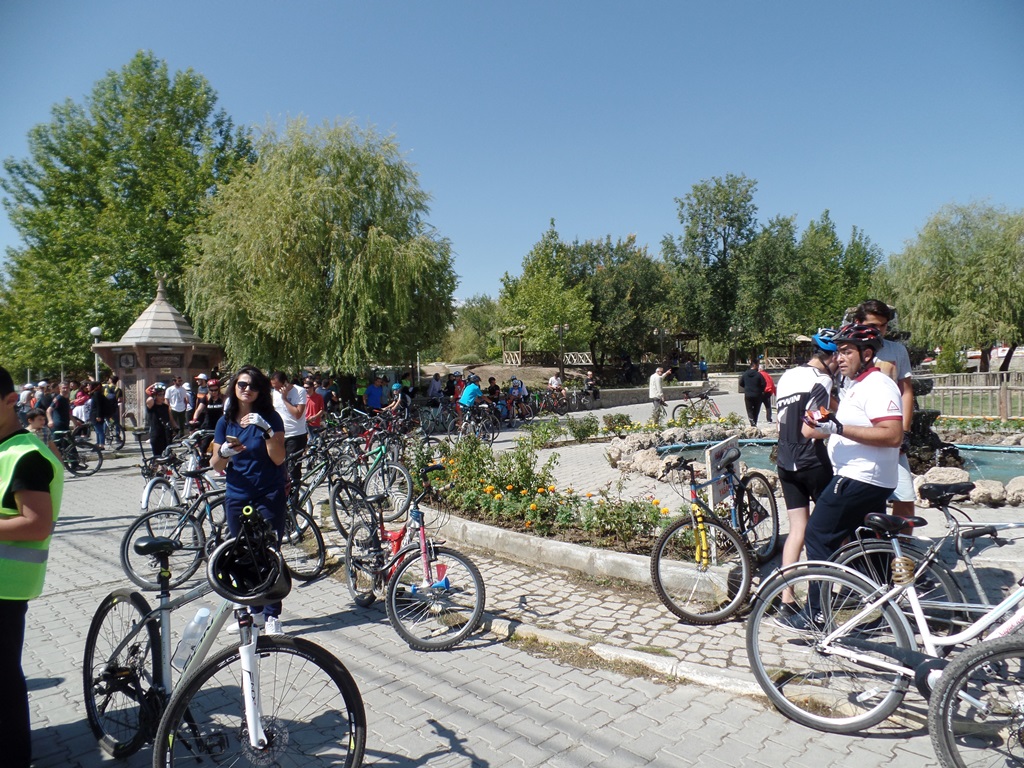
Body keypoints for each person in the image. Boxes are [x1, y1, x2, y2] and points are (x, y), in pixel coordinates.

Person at [785, 323, 903, 630]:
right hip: (860, 476)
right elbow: (843, 424)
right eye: (837, 351)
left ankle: (817, 613)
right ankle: (886, 609)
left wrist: (837, 429)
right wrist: (826, 424)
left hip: (861, 477)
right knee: (863, 544)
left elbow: (892, 435)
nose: (839, 358)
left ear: (866, 354)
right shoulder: (857, 385)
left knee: (817, 536)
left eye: (847, 351)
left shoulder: (878, 384)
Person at [0, 365, 64, 768]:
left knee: (3, 682)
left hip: (6, 587)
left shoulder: (25, 455)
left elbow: (36, 523)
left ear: (11, 402)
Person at [210, 367, 287, 635]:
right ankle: (253, 613)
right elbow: (216, 464)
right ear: (234, 386)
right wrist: (225, 451)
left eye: (253, 386)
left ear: (260, 391)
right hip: (237, 494)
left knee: (268, 552)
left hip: (268, 493)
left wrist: (266, 431)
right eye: (242, 384)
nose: (246, 389)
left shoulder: (271, 418)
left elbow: (278, 458)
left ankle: (272, 615)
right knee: (242, 555)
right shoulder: (225, 421)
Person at [773, 329, 839, 609]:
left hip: (785, 461)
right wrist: (840, 430)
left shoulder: (787, 375)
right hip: (812, 461)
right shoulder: (822, 380)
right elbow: (814, 426)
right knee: (827, 529)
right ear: (832, 357)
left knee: (797, 529)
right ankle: (824, 592)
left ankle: (786, 598)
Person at [855, 299, 916, 523]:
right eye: (872, 324)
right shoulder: (849, 349)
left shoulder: (896, 350)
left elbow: (906, 391)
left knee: (905, 496)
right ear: (857, 322)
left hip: (891, 435)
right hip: (858, 434)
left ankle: (905, 549)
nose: (878, 330)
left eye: (882, 325)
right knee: (857, 498)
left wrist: (905, 431)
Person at [270, 372, 307, 488]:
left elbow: (298, 414)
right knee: (279, 466)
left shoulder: (299, 391)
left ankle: (294, 497)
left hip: (296, 435)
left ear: (285, 383)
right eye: (273, 386)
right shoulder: (274, 393)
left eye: (277, 386)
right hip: (279, 434)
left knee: (293, 469)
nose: (275, 389)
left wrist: (284, 398)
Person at [145, 382, 174, 458]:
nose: (162, 397)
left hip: (166, 435)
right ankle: (153, 469)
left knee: (167, 457)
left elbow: (171, 419)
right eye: (159, 395)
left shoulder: (165, 407)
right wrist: (154, 385)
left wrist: (177, 428)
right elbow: (149, 399)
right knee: (157, 457)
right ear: (155, 395)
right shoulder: (152, 406)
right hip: (156, 435)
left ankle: (163, 470)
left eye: (163, 394)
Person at [739, 359, 767, 426]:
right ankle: (755, 422)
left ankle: (752, 423)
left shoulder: (745, 374)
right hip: (757, 395)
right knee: (756, 410)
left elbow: (740, 383)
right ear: (754, 365)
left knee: (749, 410)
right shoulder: (758, 375)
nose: (758, 367)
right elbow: (764, 384)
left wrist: (747, 387)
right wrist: (760, 390)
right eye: (757, 365)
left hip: (748, 395)